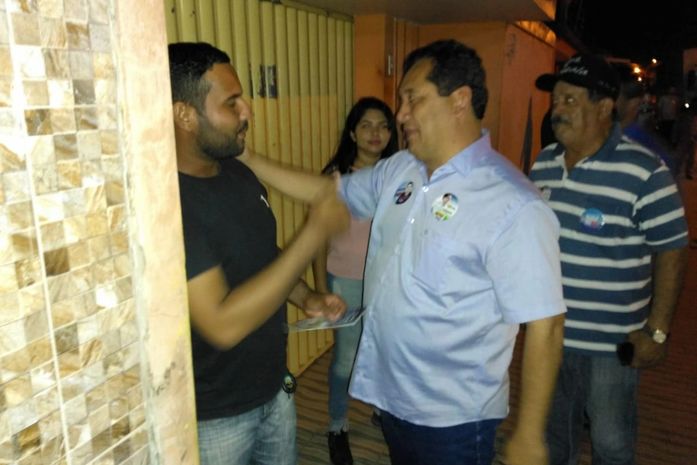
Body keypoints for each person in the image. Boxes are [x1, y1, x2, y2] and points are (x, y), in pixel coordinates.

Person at [241, 39, 567, 465]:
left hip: (453, 418)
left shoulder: (512, 203)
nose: (401, 114)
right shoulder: (401, 169)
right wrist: (248, 158)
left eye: (413, 98)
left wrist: (529, 434)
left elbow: (546, 323)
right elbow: (326, 192)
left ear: (459, 100)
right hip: (392, 398)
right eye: (402, 100)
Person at [168, 42, 350, 465]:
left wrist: (305, 296)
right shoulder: (171, 204)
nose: (247, 111)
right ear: (185, 115)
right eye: (232, 102)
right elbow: (222, 324)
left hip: (273, 390)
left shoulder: (236, 172)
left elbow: (262, 254)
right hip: (216, 417)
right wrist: (313, 233)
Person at [531, 53, 689, 465]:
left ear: (604, 107)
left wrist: (657, 332)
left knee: (611, 443)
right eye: (556, 100)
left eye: (570, 100)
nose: (557, 109)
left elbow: (672, 250)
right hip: (551, 336)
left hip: (611, 343)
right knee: (554, 439)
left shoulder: (644, 171)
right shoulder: (544, 164)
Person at [313, 97, 399, 465]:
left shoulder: (400, 176)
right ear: (352, 132)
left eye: (382, 126)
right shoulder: (335, 179)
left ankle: (381, 410)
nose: (375, 133)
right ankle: (337, 425)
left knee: (385, 352)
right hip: (345, 279)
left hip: (388, 283)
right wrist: (321, 289)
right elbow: (317, 240)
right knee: (346, 360)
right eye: (366, 125)